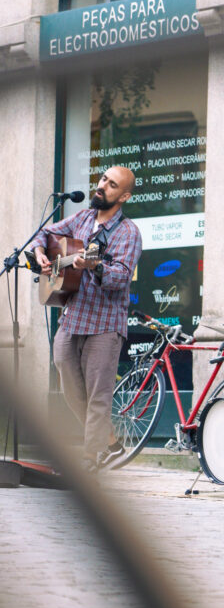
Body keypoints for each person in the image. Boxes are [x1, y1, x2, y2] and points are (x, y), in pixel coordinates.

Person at [31, 166, 142, 472]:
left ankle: (89, 459)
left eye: (112, 184)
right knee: (68, 383)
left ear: (124, 196)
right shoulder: (81, 218)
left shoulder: (128, 232)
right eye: (103, 179)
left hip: (104, 323)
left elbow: (119, 277)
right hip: (73, 316)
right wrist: (41, 251)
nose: (102, 186)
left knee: (98, 394)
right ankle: (109, 442)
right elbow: (45, 233)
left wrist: (93, 266)